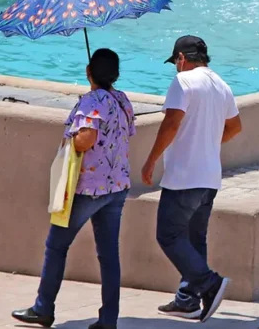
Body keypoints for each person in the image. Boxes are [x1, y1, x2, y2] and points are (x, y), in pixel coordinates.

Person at [13, 49, 136, 329]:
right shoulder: (122, 100)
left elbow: (86, 140)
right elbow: (126, 134)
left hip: (89, 189)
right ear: (115, 74)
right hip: (116, 187)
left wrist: (72, 136)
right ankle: (109, 319)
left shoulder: (92, 101)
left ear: (88, 72)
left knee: (56, 245)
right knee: (108, 255)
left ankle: (43, 308)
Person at [141, 35, 242, 322]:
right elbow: (235, 127)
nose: (175, 67)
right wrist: (208, 144)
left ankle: (209, 283)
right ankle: (187, 299)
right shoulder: (221, 85)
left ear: (182, 58)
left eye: (175, 62)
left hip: (184, 177)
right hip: (209, 177)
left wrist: (151, 160)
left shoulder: (183, 82)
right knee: (194, 238)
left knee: (169, 235)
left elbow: (171, 123)